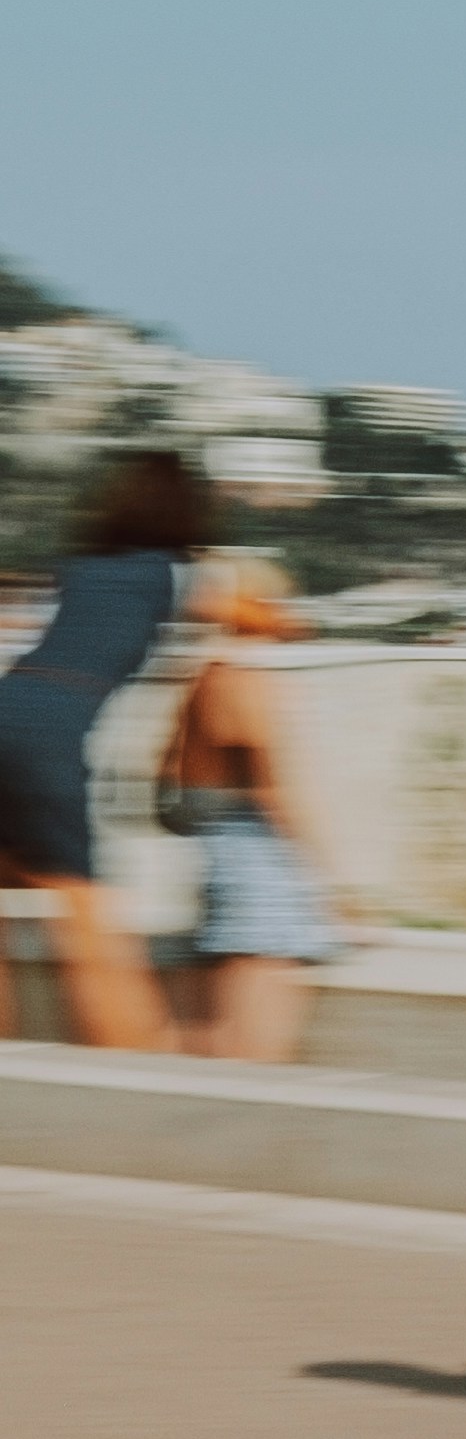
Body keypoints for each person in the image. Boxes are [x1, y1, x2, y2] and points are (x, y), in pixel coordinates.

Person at [0, 448, 212, 1051]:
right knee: (87, 913)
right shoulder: (181, 572)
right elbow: (265, 619)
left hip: (8, 696)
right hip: (52, 726)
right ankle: (138, 1064)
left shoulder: (77, 566)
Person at [161, 559, 344, 1061]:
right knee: (258, 1016)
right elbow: (274, 788)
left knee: (219, 1015)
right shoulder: (241, 676)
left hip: (225, 845)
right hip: (258, 850)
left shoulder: (203, 675)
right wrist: (330, 880)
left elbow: (169, 784)